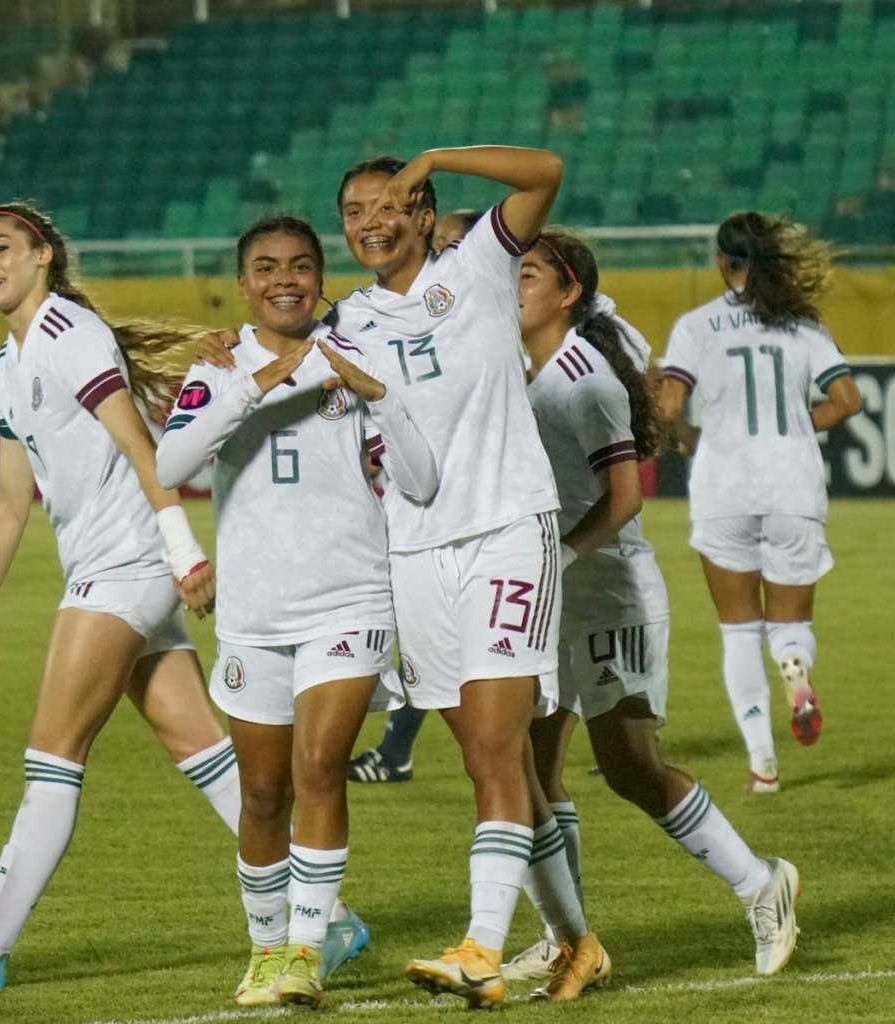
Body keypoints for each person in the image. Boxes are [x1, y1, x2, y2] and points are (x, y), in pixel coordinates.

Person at [198, 148, 601, 1008]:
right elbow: (265, 363)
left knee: (497, 749)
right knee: (486, 761)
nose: (370, 221)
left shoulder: (483, 265)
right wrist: (222, 349)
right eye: (353, 211)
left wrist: (435, 158)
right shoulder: (343, 327)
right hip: (414, 553)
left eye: (390, 204)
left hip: (505, 528)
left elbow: (544, 172)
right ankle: (576, 940)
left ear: (424, 213)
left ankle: (483, 947)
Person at [0, 203, 242, 991]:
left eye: (2, 248)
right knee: (205, 753)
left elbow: (139, 444)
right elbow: (13, 499)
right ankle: (325, 911)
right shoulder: (8, 367)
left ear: (44, 255)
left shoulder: (66, 333)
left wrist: (183, 550)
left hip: (124, 568)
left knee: (52, 758)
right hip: (118, 570)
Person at [503, 228, 801, 990]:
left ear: (568, 292)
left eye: (529, 274)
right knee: (526, 767)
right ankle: (565, 935)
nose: (512, 284)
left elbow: (627, 497)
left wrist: (557, 556)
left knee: (629, 768)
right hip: (546, 592)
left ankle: (759, 880)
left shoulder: (584, 377)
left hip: (607, 590)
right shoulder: (512, 366)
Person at [156, 215, 438, 1008]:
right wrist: (260, 380)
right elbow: (171, 463)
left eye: (303, 266)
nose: (286, 278)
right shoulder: (217, 369)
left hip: (349, 599)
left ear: (320, 277)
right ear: (243, 283)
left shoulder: (357, 352)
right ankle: (265, 950)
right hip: (254, 615)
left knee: (320, 770)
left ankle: (305, 954)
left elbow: (417, 481)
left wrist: (377, 394)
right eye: (267, 267)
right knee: (261, 794)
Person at [659, 211, 862, 792]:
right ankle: (794, 668)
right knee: (790, 623)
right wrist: (798, 423)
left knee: (739, 632)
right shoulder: (803, 326)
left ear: (723, 262)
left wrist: (685, 439)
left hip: (723, 486)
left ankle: (762, 764)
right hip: (792, 483)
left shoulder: (697, 325)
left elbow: (672, 407)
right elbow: (846, 400)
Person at [348, 207, 482, 786]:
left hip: (493, 525)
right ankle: (397, 748)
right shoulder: (373, 319)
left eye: (457, 248)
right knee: (434, 660)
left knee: (504, 714)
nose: (443, 259)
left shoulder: (494, 325)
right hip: (419, 522)